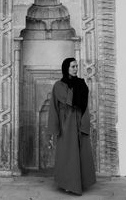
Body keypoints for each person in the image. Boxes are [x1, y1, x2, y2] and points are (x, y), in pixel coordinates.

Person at [47, 57, 96, 195]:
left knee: (80, 154)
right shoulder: (59, 86)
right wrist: (54, 130)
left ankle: (79, 183)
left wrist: (85, 124)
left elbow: (85, 105)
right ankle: (67, 183)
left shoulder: (81, 84)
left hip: (79, 120)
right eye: (73, 66)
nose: (75, 69)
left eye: (76, 66)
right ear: (66, 68)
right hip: (66, 124)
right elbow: (55, 107)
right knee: (67, 155)